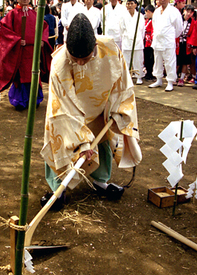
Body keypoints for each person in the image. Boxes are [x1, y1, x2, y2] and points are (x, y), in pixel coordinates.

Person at [40, 13, 142, 209]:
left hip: (99, 107)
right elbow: (63, 107)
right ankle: (58, 189)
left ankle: (100, 181)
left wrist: (118, 107)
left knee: (101, 138)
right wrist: (81, 142)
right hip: (67, 113)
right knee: (59, 141)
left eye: (84, 59)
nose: (79, 63)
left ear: (94, 47)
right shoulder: (59, 63)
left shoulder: (111, 49)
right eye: (74, 59)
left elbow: (122, 84)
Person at [0, 0, 52, 111]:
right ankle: (20, 101)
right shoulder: (12, 14)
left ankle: (35, 99)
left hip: (33, 52)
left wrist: (43, 40)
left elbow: (44, 27)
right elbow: (5, 30)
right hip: (20, 52)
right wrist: (16, 40)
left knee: (34, 75)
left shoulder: (35, 14)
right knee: (21, 76)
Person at [149, 0, 183, 92]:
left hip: (168, 40)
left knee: (170, 61)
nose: (162, 0)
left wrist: (172, 36)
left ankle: (170, 81)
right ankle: (158, 79)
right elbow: (154, 25)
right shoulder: (157, 11)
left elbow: (179, 27)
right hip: (158, 40)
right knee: (157, 60)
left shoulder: (174, 11)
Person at [120, 0, 145, 85]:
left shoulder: (140, 16)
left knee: (138, 59)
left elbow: (142, 30)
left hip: (137, 40)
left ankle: (139, 76)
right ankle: (127, 76)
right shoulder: (123, 16)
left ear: (135, 5)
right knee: (126, 60)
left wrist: (138, 38)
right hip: (127, 41)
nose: (129, 5)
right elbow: (121, 29)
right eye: (128, 4)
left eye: (131, 3)